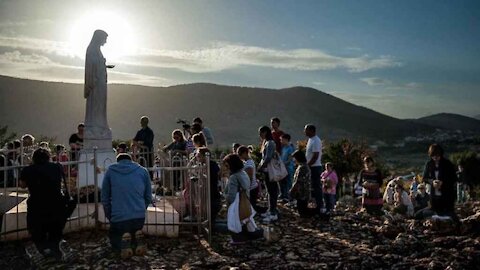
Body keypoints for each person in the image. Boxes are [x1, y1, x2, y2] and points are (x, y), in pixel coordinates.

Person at [19, 148, 73, 263]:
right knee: (55, 229)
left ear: (34, 158)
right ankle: (55, 250)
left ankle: (44, 251)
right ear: (48, 157)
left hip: (37, 204)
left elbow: (22, 185)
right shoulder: (56, 167)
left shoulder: (28, 170)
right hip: (56, 203)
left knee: (38, 230)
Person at [101, 153, 152, 259]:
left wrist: (110, 215)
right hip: (139, 217)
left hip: (119, 217)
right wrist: (142, 209)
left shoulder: (111, 171)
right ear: (132, 160)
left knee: (114, 236)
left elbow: (105, 198)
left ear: (117, 161)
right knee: (133, 232)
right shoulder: (143, 171)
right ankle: (135, 241)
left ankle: (121, 245)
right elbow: (148, 197)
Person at [223, 154, 262, 243]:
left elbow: (231, 197)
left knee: (234, 224)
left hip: (235, 205)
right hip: (244, 202)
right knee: (244, 222)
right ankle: (248, 236)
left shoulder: (233, 177)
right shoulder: (243, 173)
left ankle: (239, 238)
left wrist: (225, 197)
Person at [84, 29, 113, 142]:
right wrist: (102, 63)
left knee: (100, 105)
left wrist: (104, 64)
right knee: (96, 105)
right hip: (95, 83)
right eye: (105, 39)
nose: (105, 42)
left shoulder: (97, 50)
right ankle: (95, 126)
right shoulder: (92, 49)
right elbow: (92, 66)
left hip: (100, 83)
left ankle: (101, 125)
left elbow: (97, 64)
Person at [418, 144, 457, 218]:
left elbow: (453, 178)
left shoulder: (447, 164)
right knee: (432, 213)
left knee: (448, 215)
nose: (435, 158)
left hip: (446, 195)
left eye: (437, 156)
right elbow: (424, 178)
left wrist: (443, 182)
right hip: (434, 196)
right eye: (433, 156)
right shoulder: (429, 164)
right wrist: (432, 182)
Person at [258, 126, 279, 223]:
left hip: (270, 171)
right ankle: (270, 210)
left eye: (261, 133)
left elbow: (268, 157)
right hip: (267, 171)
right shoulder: (266, 142)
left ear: (265, 132)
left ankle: (273, 212)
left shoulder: (270, 143)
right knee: (270, 191)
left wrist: (261, 167)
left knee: (272, 191)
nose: (260, 135)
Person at [237, 145, 266, 214]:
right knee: (252, 206)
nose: (239, 156)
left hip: (251, 189)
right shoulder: (249, 162)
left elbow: (249, 178)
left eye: (240, 154)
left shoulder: (248, 164)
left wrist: (245, 189)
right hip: (253, 187)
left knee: (251, 207)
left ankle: (266, 211)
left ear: (244, 153)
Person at [304, 124, 324, 215]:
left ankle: (320, 206)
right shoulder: (310, 140)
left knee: (316, 187)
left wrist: (308, 165)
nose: (305, 132)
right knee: (311, 187)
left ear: (312, 131)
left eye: (306, 130)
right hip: (312, 166)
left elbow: (315, 156)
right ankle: (313, 205)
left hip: (315, 167)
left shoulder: (316, 140)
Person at [290, 150, 313, 218]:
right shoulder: (304, 166)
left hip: (302, 191)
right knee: (302, 207)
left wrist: (293, 189)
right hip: (304, 191)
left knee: (302, 209)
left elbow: (298, 181)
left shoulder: (302, 167)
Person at [279, 133, 295, 202]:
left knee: (288, 182)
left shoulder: (290, 148)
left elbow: (289, 159)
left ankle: (289, 196)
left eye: (282, 140)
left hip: (288, 168)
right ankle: (283, 195)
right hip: (283, 168)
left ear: (286, 140)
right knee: (282, 182)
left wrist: (283, 165)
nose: (281, 141)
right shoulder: (283, 148)